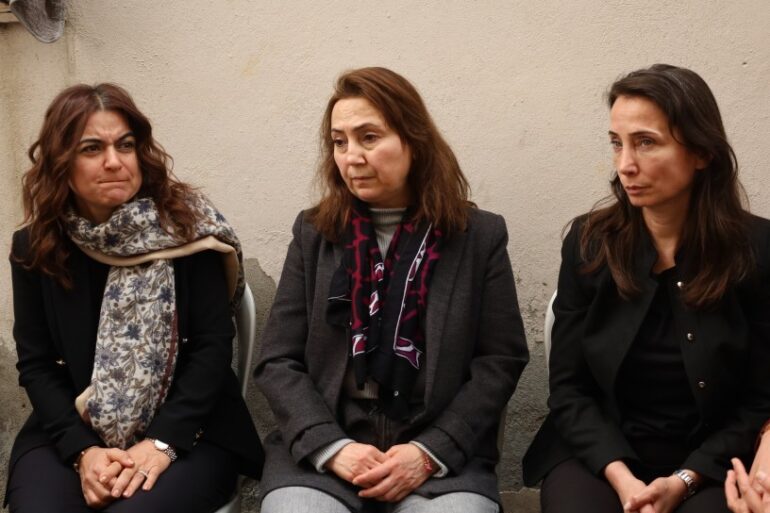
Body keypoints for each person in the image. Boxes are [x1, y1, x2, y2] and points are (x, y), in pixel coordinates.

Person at [254, 67, 529, 513]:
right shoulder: (314, 233)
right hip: (327, 452)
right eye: (339, 142)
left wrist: (430, 452)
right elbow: (277, 360)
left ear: (413, 141)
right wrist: (331, 447)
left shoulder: (478, 237)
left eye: (369, 137)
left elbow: (500, 361)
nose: (351, 157)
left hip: (438, 457)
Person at [522, 64, 770, 513]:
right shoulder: (589, 243)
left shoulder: (755, 250)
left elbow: (761, 398)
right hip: (601, 453)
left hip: (714, 459)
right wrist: (623, 480)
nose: (625, 165)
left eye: (646, 142)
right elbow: (569, 390)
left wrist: (685, 479)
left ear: (701, 151)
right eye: (617, 143)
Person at [5, 83, 264, 513]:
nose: (114, 161)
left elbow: (212, 348)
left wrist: (161, 444)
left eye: (125, 145)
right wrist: (83, 452)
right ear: (61, 161)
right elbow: (36, 363)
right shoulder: (37, 247)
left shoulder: (185, 230)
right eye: (92, 148)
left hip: (190, 428)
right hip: (71, 427)